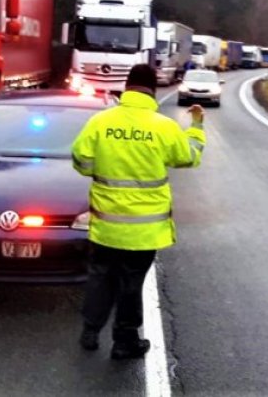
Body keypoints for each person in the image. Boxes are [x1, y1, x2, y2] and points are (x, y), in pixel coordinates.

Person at [71, 64, 206, 360]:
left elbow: (81, 161)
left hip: (106, 223)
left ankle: (90, 332)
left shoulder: (100, 122)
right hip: (144, 229)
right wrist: (196, 126)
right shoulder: (164, 127)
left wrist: (103, 169)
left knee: (100, 275)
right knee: (130, 283)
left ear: (126, 87)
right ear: (153, 90)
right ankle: (125, 341)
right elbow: (189, 157)